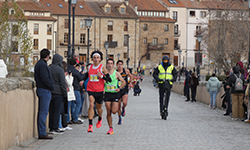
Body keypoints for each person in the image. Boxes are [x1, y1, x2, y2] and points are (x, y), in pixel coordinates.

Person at [85, 50, 111, 133]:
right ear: (92, 59)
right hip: (91, 89)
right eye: (94, 58)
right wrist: (81, 81)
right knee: (91, 105)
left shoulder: (102, 68)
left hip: (99, 91)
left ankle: (100, 118)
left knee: (99, 109)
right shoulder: (89, 67)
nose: (96, 59)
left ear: (100, 59)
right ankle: (90, 125)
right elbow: (85, 76)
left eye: (97, 58)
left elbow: (109, 79)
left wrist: (102, 76)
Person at [34, 49, 54, 139]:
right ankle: (42, 133)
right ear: (47, 56)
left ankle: (42, 131)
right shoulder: (42, 65)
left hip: (41, 89)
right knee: (43, 112)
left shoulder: (39, 64)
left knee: (42, 111)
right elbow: (44, 78)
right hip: (44, 90)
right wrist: (51, 86)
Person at [104, 59, 126, 134]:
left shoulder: (116, 73)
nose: (110, 65)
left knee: (114, 111)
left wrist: (119, 88)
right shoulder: (104, 74)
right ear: (106, 64)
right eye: (108, 63)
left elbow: (124, 82)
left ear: (113, 65)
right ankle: (110, 128)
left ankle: (119, 114)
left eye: (111, 63)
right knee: (108, 111)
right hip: (107, 94)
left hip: (115, 94)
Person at [153, 55, 177, 119]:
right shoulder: (160, 67)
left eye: (166, 60)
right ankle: (161, 109)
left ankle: (166, 108)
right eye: (164, 60)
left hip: (168, 84)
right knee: (161, 98)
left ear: (168, 61)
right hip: (161, 84)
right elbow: (154, 74)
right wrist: (158, 79)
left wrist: (173, 80)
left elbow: (175, 74)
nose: (165, 62)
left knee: (167, 97)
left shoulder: (171, 67)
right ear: (163, 61)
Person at [67, 59, 85, 124]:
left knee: (70, 104)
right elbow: (81, 77)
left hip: (68, 89)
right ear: (74, 64)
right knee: (78, 103)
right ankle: (75, 118)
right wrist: (83, 73)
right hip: (75, 88)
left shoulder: (66, 69)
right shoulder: (75, 71)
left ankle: (68, 119)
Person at [116, 60, 133, 125]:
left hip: (124, 89)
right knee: (118, 106)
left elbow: (131, 76)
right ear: (117, 65)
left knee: (125, 102)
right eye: (119, 64)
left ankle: (124, 108)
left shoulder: (126, 71)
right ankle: (119, 117)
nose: (120, 66)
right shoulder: (115, 72)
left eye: (121, 64)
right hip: (118, 90)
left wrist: (130, 83)